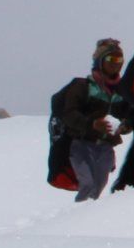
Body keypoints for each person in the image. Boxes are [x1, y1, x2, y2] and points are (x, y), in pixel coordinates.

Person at [51, 40, 128, 201]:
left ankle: (86, 220)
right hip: (80, 144)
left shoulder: (122, 92)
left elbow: (128, 115)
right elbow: (69, 113)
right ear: (100, 61)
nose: (116, 65)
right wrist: (91, 124)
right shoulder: (81, 86)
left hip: (105, 146)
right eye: (111, 60)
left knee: (98, 186)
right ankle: (78, 220)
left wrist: (126, 125)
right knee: (87, 184)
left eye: (119, 60)